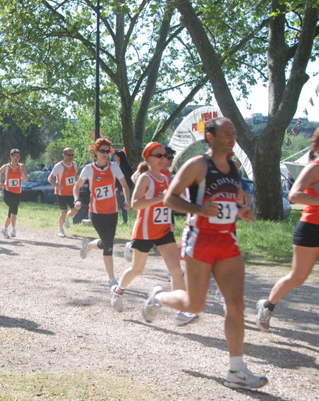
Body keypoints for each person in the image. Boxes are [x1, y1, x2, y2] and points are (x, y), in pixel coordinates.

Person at [141, 117, 267, 390]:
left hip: (227, 241)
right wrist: (198, 210)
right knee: (195, 305)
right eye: (226, 134)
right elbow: (169, 198)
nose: (232, 138)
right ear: (210, 137)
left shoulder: (233, 167)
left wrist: (241, 209)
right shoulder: (198, 164)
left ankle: (236, 369)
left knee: (235, 305)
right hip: (200, 241)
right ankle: (158, 297)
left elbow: (232, 199)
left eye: (233, 134)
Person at [111, 142, 197, 326]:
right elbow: (135, 204)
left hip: (164, 230)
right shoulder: (145, 178)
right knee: (137, 269)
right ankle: (118, 290)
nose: (163, 159)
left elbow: (172, 201)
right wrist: (161, 198)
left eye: (165, 156)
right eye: (159, 156)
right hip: (145, 231)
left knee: (176, 269)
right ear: (148, 158)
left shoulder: (167, 178)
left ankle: (180, 312)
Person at [256, 129, 319, 332]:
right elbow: (294, 194)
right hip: (311, 228)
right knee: (297, 277)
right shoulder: (314, 168)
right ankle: (267, 306)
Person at [73, 138, 131, 289]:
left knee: (106, 242)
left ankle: (88, 244)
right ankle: (111, 278)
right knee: (109, 244)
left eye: (107, 151)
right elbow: (76, 186)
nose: (105, 154)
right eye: (102, 151)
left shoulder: (114, 167)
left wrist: (127, 200)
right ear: (95, 153)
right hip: (97, 213)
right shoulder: (89, 169)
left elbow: (124, 185)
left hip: (112, 211)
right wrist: (76, 200)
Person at [0, 149, 28, 239]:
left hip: (17, 192)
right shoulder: (6, 167)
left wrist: (22, 173)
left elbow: (26, 179)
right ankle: (11, 229)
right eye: (15, 156)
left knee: (13, 211)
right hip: (7, 192)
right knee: (13, 209)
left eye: (18, 157)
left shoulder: (21, 166)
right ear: (11, 157)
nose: (16, 158)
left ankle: (7, 229)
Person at [48, 147, 78, 237]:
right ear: (64, 155)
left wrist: (77, 185)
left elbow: (74, 177)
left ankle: (66, 218)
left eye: (72, 155)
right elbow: (50, 178)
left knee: (75, 210)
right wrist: (57, 185)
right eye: (69, 155)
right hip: (61, 193)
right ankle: (60, 230)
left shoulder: (74, 164)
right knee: (63, 211)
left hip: (72, 192)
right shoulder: (59, 166)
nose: (71, 157)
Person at [114, 149, 134, 225]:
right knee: (117, 205)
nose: (114, 158)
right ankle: (119, 220)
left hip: (121, 189)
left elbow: (127, 180)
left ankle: (124, 220)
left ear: (119, 157)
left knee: (121, 206)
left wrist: (124, 190)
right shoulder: (117, 166)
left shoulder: (124, 167)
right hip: (117, 189)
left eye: (115, 156)